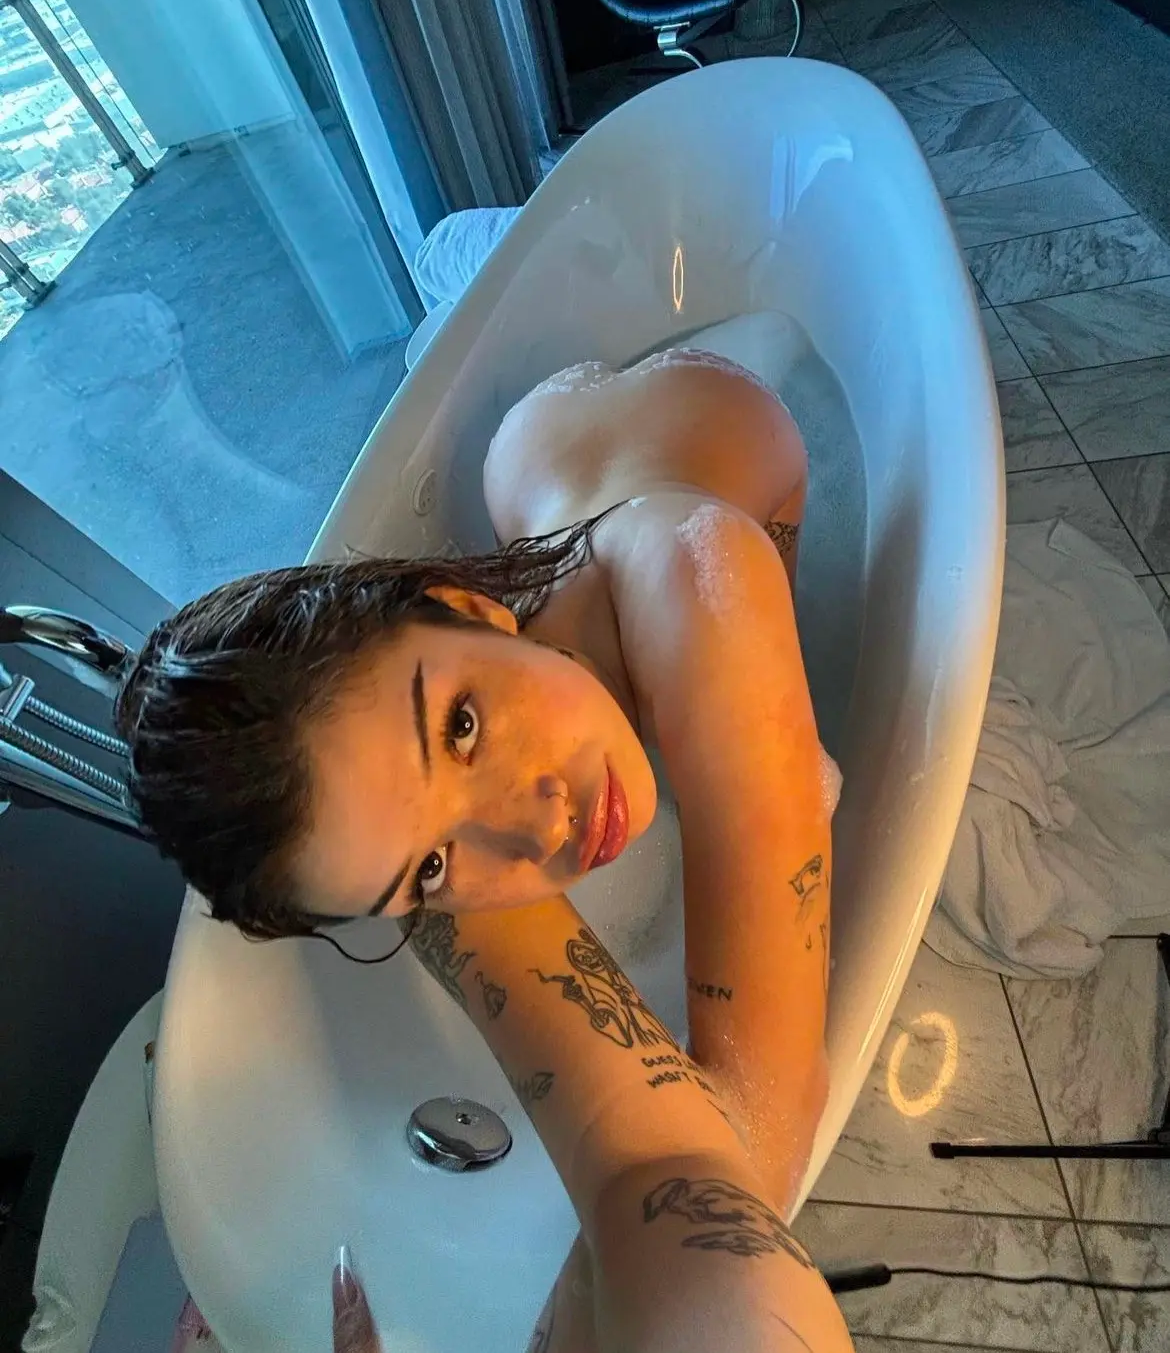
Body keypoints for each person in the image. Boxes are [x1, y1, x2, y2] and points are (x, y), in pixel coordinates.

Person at [118, 329, 847, 1350]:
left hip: (700, 423)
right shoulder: (399, 818)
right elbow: (648, 1169)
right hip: (537, 461)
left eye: (462, 726)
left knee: (768, 689)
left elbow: (765, 1122)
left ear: (468, 606)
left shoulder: (699, 572)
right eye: (426, 868)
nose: (531, 824)